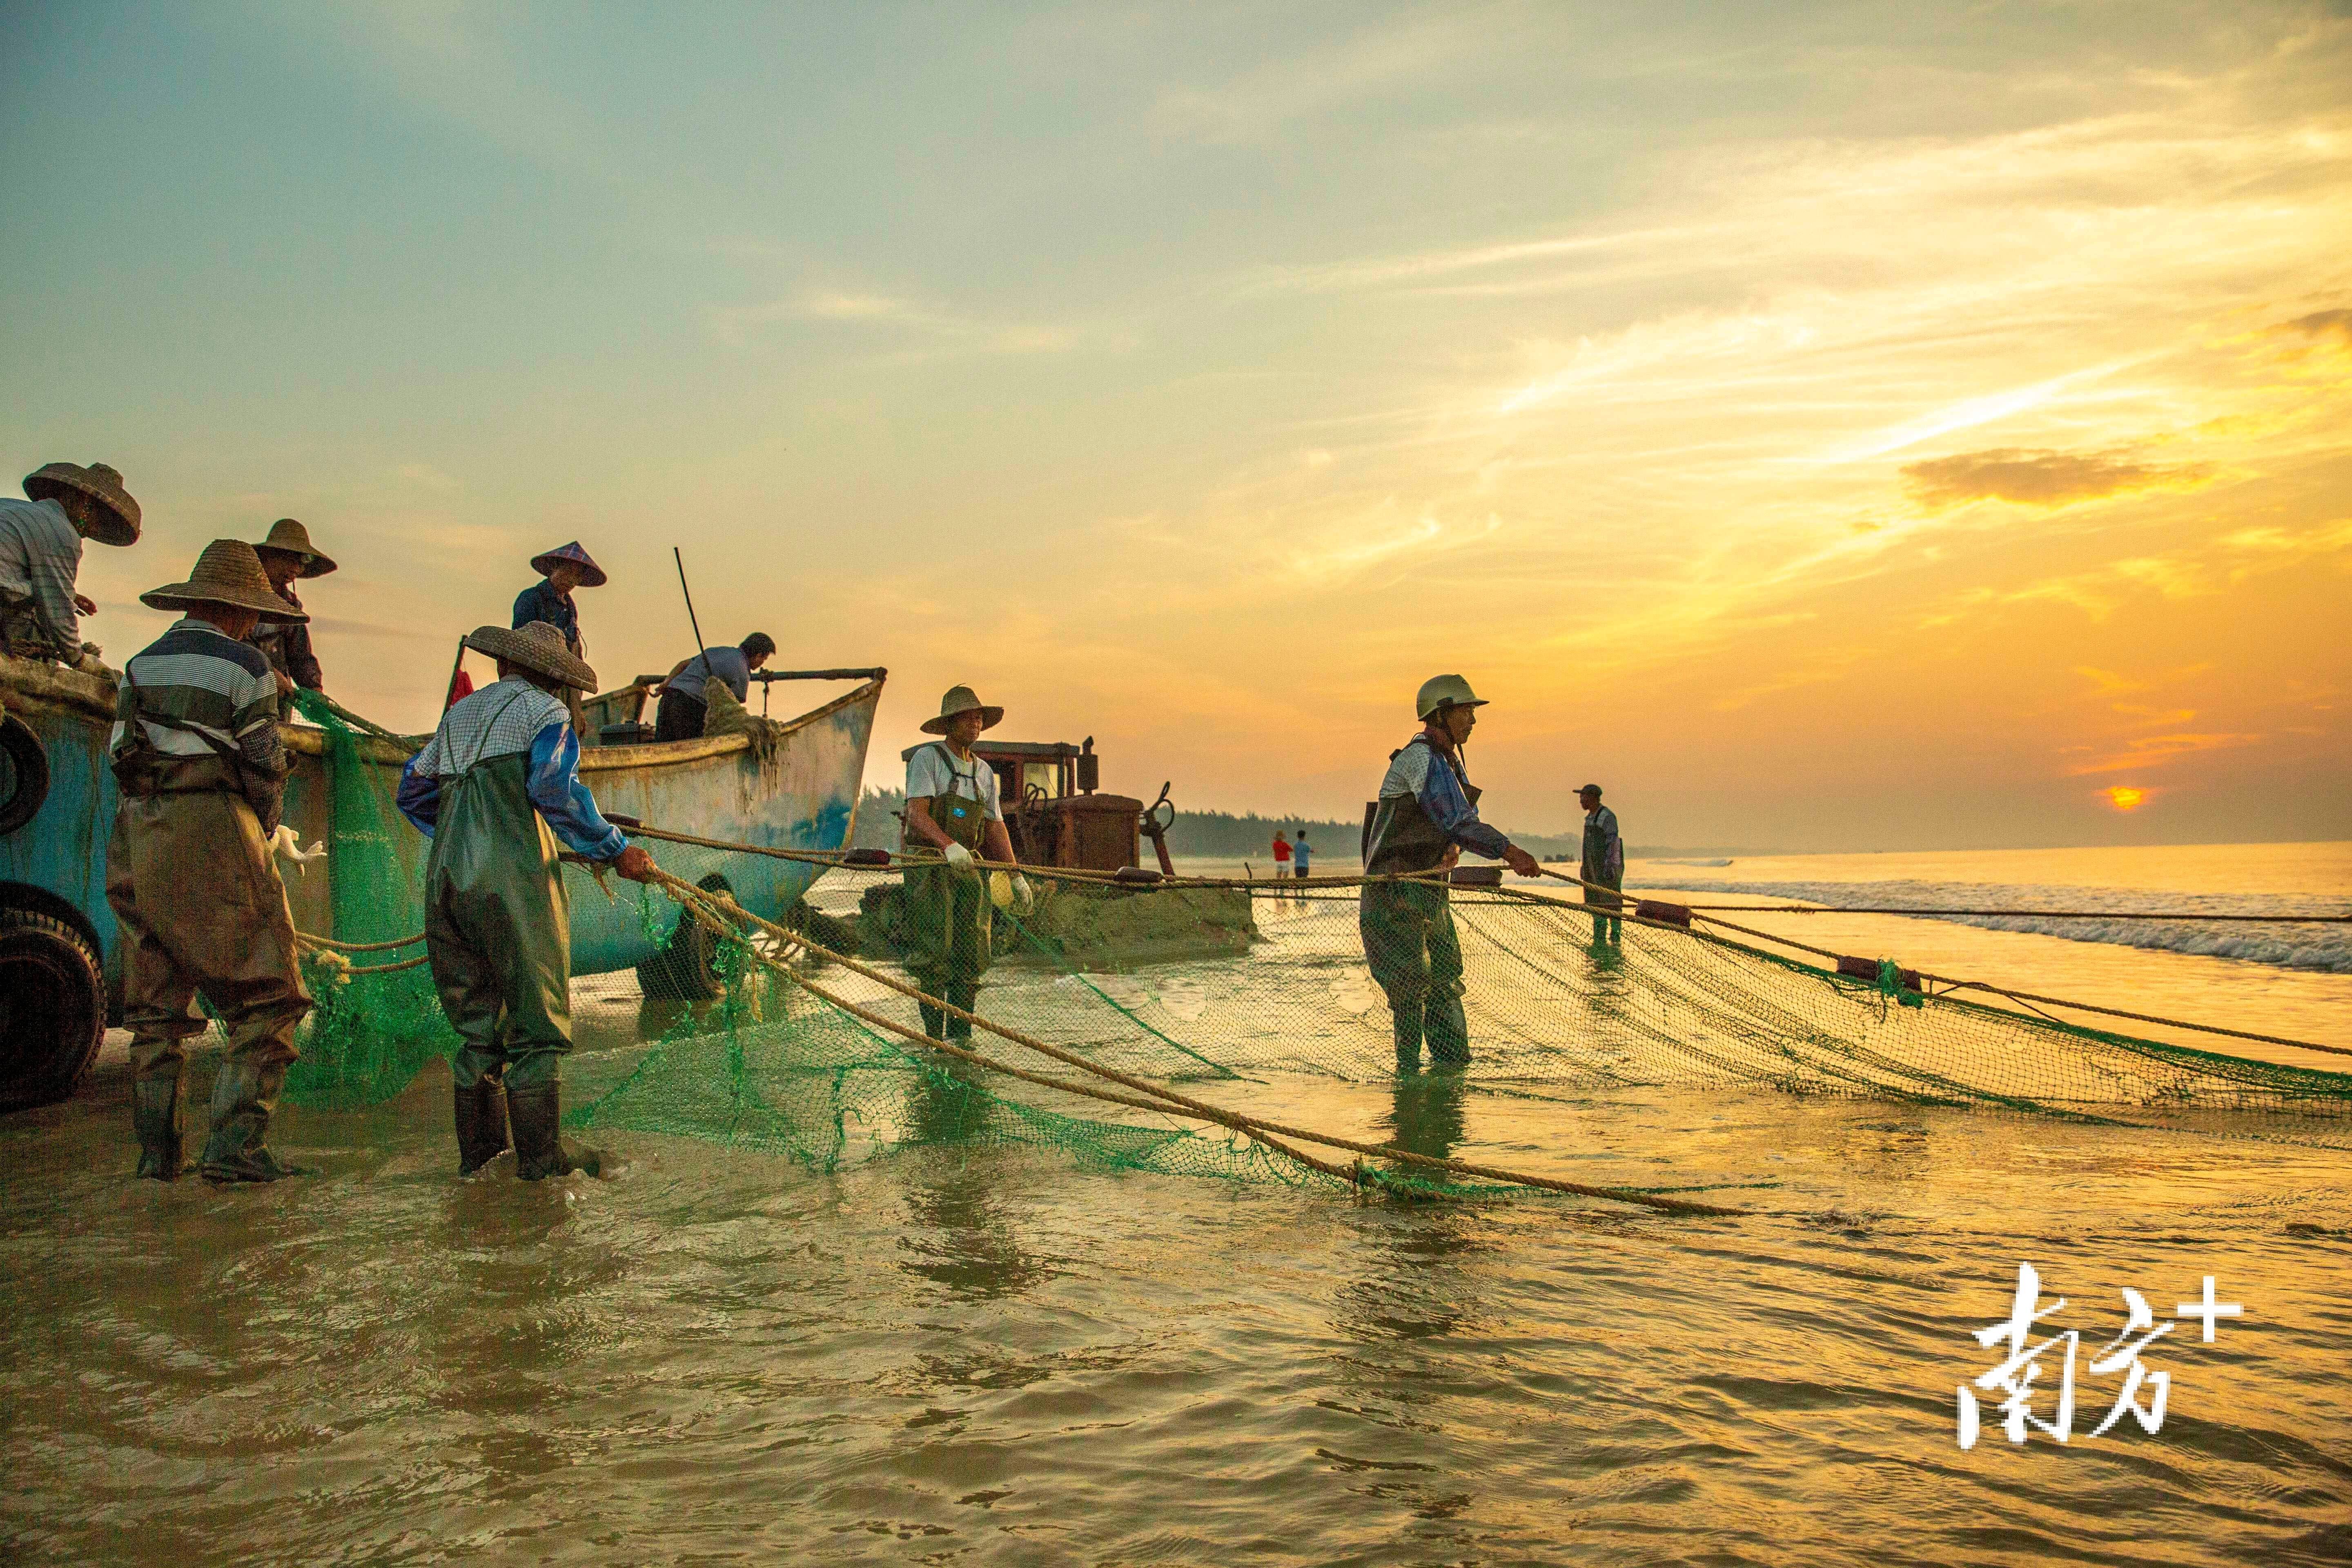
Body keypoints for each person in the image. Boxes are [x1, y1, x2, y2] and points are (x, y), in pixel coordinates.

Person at [397, 621, 657, 1179]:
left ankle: (481, 1166)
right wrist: (614, 849)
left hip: (445, 880)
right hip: (511, 882)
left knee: (477, 1029)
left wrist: (465, 833)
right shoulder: (547, 714)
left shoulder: (457, 716)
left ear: (504, 665)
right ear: (554, 679)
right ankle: (540, 1168)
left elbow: (412, 791)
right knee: (538, 1025)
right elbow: (551, 790)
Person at [105, 540, 312, 1183]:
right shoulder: (246, 666)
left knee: (157, 1012)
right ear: (238, 612)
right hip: (214, 825)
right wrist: (267, 830)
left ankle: (158, 1160)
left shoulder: (140, 665)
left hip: (139, 833)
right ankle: (235, 1152)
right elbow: (262, 761)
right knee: (272, 997)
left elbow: (120, 753)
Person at [1359, 674, 1540, 1073]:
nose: (1473, 720)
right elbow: (1457, 820)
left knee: (1444, 977)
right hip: (1395, 893)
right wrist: (1511, 853)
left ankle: (1451, 1071)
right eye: (1466, 711)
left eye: (1473, 712)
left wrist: (1453, 850)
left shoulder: (1448, 762)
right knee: (1410, 988)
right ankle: (1408, 1081)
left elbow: (1455, 826)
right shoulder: (1421, 760)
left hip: (1429, 891)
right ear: (1440, 714)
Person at [901, 686, 1032, 1041]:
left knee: (971, 953)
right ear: (950, 722)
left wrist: (1015, 875)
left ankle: (961, 1041)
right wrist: (947, 846)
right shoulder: (927, 760)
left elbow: (994, 826)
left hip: (969, 870)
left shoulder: (985, 773)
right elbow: (916, 815)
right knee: (934, 953)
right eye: (969, 716)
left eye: (980, 718)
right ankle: (933, 1041)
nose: (977, 722)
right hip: (929, 867)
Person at [2, 461, 141, 670]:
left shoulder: (9, 506)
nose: (93, 530)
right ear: (85, 503)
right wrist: (79, 660)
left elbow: (13, 572)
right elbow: (57, 611)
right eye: (98, 519)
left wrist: (68, 596)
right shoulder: (62, 533)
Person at [245, 518, 334, 695]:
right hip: (236, 690)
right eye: (291, 560)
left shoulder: (290, 604)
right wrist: (267, 672)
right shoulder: (238, 596)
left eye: (301, 563)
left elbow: (301, 657)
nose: (297, 568)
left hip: (274, 700)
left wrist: (314, 689)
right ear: (268, 557)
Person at [653, 632, 776, 742]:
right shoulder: (742, 670)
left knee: (661, 744)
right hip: (691, 706)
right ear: (759, 655)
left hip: (670, 695)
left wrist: (666, 683)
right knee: (690, 747)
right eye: (764, 659)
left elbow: (683, 665)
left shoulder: (716, 651)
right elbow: (733, 706)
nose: (762, 663)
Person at [511, 541, 603, 657]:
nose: (571, 580)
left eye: (576, 577)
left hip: (563, 668)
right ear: (554, 568)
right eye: (568, 572)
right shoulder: (531, 597)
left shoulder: (571, 608)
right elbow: (520, 641)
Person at [1578, 783, 1624, 943]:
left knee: (1611, 901)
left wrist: (1609, 867)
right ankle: (1599, 936)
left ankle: (1616, 935)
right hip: (1592, 868)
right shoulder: (1589, 818)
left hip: (1606, 868)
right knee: (1594, 901)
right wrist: (1585, 868)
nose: (1580, 801)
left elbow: (1613, 843)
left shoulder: (1606, 817)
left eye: (1583, 797)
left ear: (1592, 798)